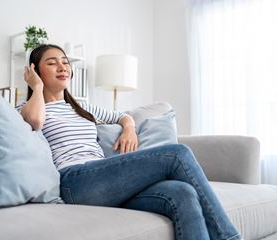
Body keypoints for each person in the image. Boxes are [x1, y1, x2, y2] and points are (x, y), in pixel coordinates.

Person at [17, 44, 242, 240]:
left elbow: (123, 116)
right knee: (177, 154)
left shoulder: (81, 109)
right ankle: (229, 237)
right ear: (35, 71)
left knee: (183, 192)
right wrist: (36, 87)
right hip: (74, 182)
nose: (62, 67)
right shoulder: (28, 108)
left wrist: (130, 129)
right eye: (52, 63)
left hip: (103, 182)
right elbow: (35, 121)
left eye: (65, 62)